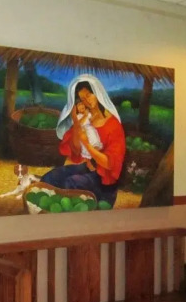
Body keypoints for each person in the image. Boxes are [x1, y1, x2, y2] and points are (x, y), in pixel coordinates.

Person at [41, 74, 126, 207]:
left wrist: (87, 143)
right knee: (49, 178)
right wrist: (76, 122)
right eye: (82, 99)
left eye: (89, 95)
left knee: (71, 183)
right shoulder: (85, 119)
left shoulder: (113, 125)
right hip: (88, 169)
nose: (87, 101)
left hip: (104, 183)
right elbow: (76, 150)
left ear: (97, 92)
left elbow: (110, 164)